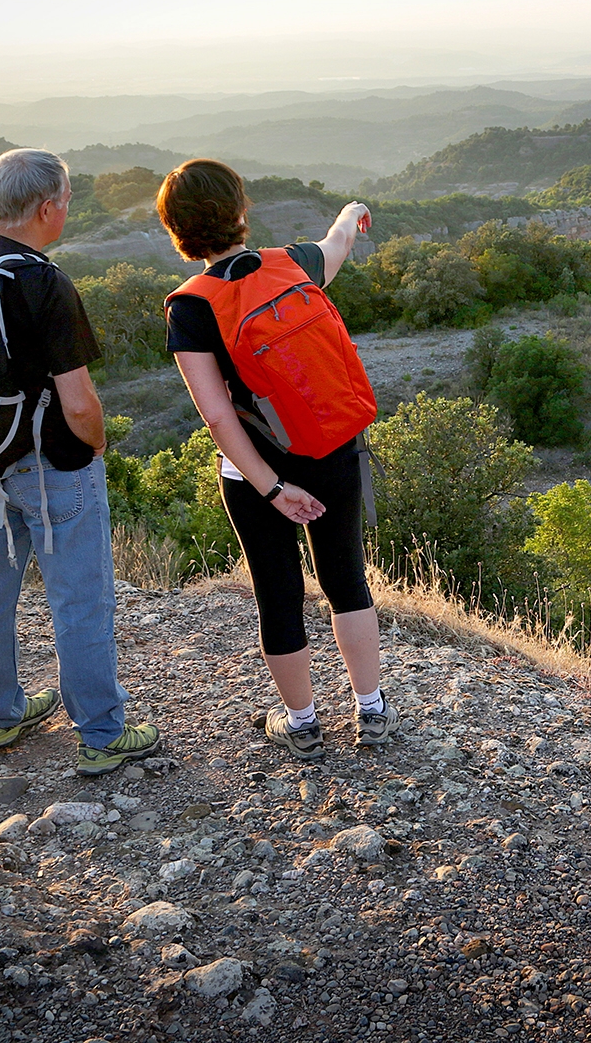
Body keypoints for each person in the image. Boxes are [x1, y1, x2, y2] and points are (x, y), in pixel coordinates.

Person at [0, 148, 161, 775]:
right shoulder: (44, 281)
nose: (67, 208)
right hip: (49, 468)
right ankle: (100, 733)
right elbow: (80, 401)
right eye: (66, 199)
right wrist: (95, 446)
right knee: (80, 599)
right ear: (48, 208)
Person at [158, 158, 396, 758]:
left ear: (177, 232)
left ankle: (304, 724)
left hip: (255, 474)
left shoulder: (190, 307)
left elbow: (216, 417)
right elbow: (338, 240)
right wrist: (352, 211)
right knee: (346, 580)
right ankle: (371, 712)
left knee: (277, 590)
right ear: (242, 212)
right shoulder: (292, 263)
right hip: (334, 449)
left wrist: (270, 488)